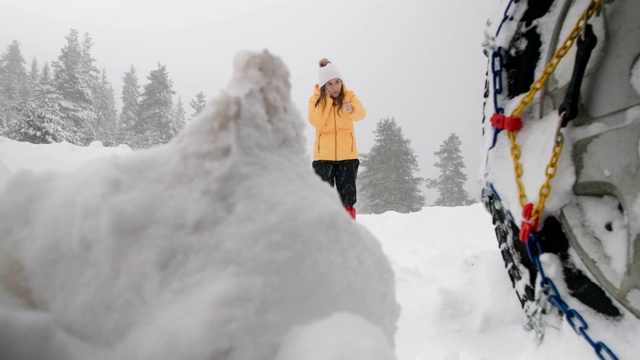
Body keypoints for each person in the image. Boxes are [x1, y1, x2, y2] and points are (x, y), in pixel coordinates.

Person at [308, 58, 366, 219]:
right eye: (330, 84)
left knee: (347, 200)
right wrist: (325, 100)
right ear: (323, 86)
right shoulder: (316, 100)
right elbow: (316, 122)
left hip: (347, 156)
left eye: (337, 82)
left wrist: (352, 108)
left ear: (342, 81)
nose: (335, 87)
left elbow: (361, 114)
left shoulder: (349, 96)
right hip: (323, 159)